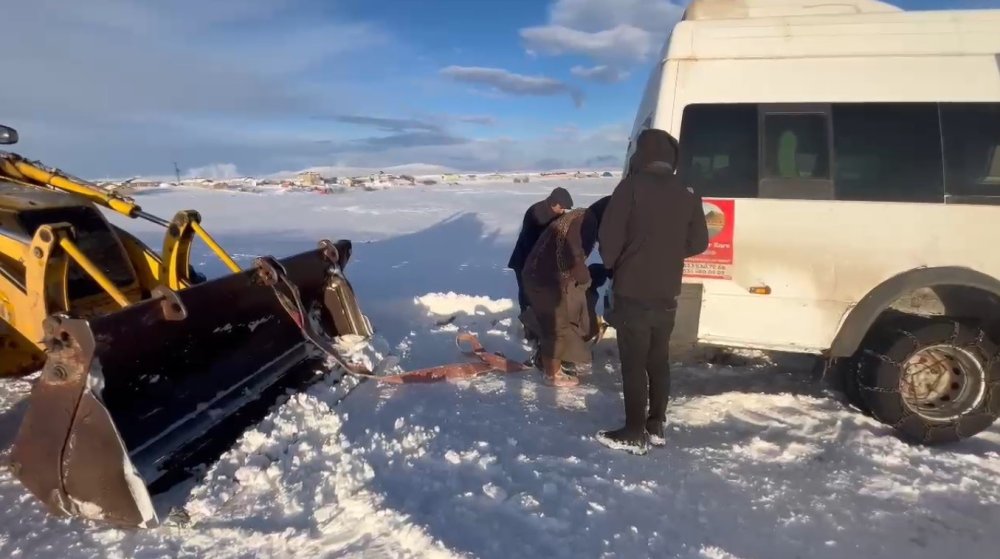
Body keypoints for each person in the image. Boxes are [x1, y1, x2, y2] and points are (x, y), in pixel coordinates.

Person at [595, 128, 709, 455]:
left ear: (641, 154)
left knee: (633, 362)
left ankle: (633, 432)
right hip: (667, 290)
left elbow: (609, 240)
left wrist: (622, 261)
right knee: (658, 359)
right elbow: (699, 242)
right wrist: (668, 254)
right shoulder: (687, 191)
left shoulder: (630, 187)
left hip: (634, 289)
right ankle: (656, 425)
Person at [520, 196, 611, 386]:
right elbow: (574, 252)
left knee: (556, 323)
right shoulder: (588, 222)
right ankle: (552, 374)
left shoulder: (580, 216)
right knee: (557, 327)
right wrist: (583, 275)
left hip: (539, 274)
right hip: (545, 278)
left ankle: (545, 357)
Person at [507, 187, 574, 315]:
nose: (563, 211)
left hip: (543, 263)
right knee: (527, 292)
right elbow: (532, 242)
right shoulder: (536, 213)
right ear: (553, 203)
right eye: (562, 207)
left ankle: (540, 320)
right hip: (524, 260)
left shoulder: (558, 215)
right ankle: (527, 321)